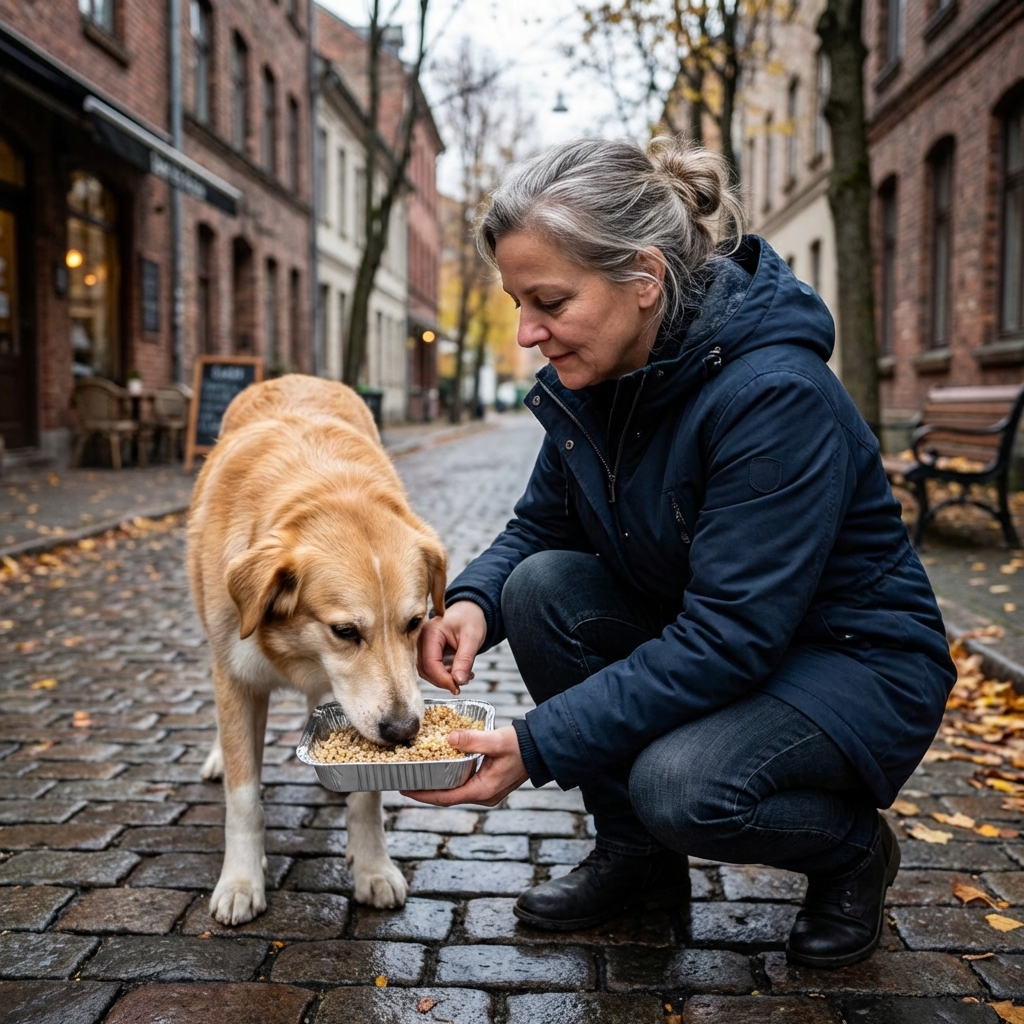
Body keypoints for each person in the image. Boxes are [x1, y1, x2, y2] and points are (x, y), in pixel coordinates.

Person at [411, 136, 956, 970]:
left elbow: (728, 638)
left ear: (644, 279)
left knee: (683, 786)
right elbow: (541, 527)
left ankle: (851, 854)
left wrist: (536, 744)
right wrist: (472, 603)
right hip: (728, 637)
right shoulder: (594, 376)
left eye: (548, 301)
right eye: (519, 301)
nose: (527, 333)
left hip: (851, 661)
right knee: (540, 586)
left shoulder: (773, 396)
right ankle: (637, 863)